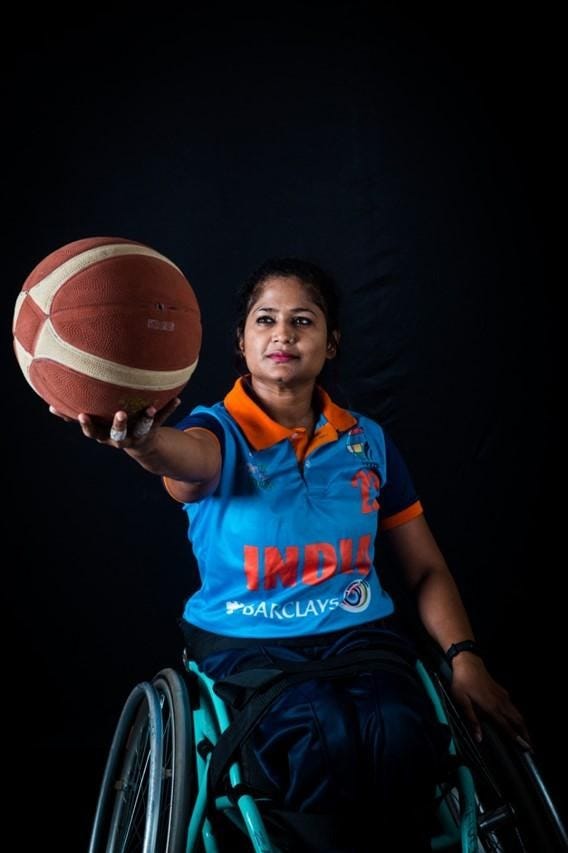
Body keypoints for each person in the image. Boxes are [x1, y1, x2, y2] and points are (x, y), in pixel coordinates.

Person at [52, 258, 529, 851]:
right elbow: (183, 461)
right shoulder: (215, 432)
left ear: (331, 343)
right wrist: (144, 443)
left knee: (402, 733)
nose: (283, 334)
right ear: (241, 341)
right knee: (316, 738)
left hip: (359, 636)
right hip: (248, 643)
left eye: (302, 321)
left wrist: (464, 658)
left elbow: (426, 569)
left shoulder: (368, 441)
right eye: (266, 319)